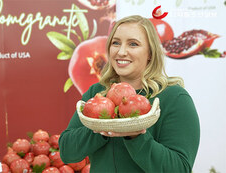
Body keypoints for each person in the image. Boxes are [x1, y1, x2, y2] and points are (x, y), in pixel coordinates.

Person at [59, 15, 200, 172]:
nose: (121, 51)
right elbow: (67, 152)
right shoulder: (97, 93)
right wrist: (102, 126)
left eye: (133, 44)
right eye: (116, 43)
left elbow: (180, 168)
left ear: (150, 53)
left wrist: (136, 137)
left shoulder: (174, 97)